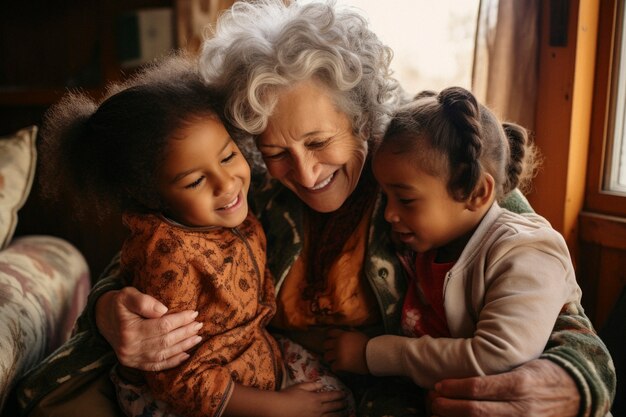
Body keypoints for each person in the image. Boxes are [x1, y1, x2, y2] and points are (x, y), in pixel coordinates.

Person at [17, 1, 615, 417]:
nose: (303, 174)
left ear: (364, 119)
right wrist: (110, 312)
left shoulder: (428, 162)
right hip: (258, 385)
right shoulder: (241, 178)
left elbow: (557, 307)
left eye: (321, 143)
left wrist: (573, 381)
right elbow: (141, 267)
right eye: (276, 151)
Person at [28, 54, 352, 417]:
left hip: (256, 360)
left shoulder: (230, 207)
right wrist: (107, 308)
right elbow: (176, 375)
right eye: (196, 181)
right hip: (202, 397)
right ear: (152, 197)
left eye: (229, 157)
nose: (226, 183)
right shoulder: (172, 256)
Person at [323, 86, 583, 391]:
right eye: (386, 196)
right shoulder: (435, 242)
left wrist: (375, 354)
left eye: (405, 200)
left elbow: (498, 358)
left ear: (476, 193)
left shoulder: (527, 251)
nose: (389, 214)